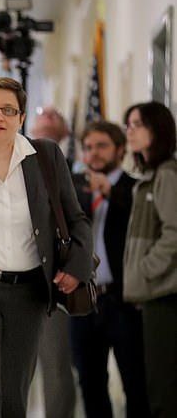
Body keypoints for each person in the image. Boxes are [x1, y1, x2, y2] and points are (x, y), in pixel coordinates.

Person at [0, 77, 93, 418]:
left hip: (29, 291)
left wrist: (76, 267)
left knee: (14, 391)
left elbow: (76, 219)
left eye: (9, 110)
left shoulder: (45, 157)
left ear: (21, 118)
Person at [70, 120, 149, 418]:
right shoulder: (75, 189)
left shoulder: (135, 187)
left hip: (124, 301)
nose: (94, 153)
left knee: (135, 382)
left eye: (102, 146)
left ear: (120, 149)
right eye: (88, 147)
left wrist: (110, 190)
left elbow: (139, 219)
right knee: (90, 383)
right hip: (84, 300)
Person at [123, 101, 177, 418]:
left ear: (156, 130)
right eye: (128, 125)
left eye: (137, 124)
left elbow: (174, 233)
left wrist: (146, 271)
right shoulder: (149, 176)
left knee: (163, 390)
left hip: (165, 295)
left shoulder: (167, 174)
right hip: (152, 294)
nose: (130, 131)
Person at [30, 105, 77, 418]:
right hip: (8, 277)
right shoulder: (13, 163)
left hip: (55, 280)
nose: (47, 113)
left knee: (56, 364)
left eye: (54, 113)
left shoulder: (77, 170)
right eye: (41, 111)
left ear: (66, 131)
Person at [32, 105, 83, 172]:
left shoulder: (72, 167)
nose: (48, 116)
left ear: (65, 131)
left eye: (54, 114)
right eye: (43, 113)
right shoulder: (23, 161)